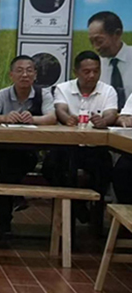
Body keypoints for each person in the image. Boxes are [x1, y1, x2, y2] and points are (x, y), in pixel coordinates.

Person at [0, 55, 57, 237]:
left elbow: (51, 118)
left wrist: (34, 119)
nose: (25, 75)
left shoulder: (43, 95)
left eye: (29, 70)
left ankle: (4, 220)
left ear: (35, 74)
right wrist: (4, 117)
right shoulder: (2, 95)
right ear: (11, 75)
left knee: (7, 172)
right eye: (20, 71)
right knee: (8, 164)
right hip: (3, 150)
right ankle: (10, 207)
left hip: (28, 152)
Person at [44, 51, 117, 222]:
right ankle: (75, 206)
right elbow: (60, 109)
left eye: (96, 71)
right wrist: (67, 119)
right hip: (67, 146)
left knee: (105, 169)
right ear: (76, 72)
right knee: (50, 166)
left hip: (94, 148)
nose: (92, 75)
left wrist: (104, 121)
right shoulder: (63, 88)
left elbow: (111, 113)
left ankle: (94, 216)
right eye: (86, 71)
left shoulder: (108, 90)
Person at [88, 12, 132, 110]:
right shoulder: (95, 66)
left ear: (117, 34)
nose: (96, 47)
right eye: (92, 42)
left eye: (99, 41)